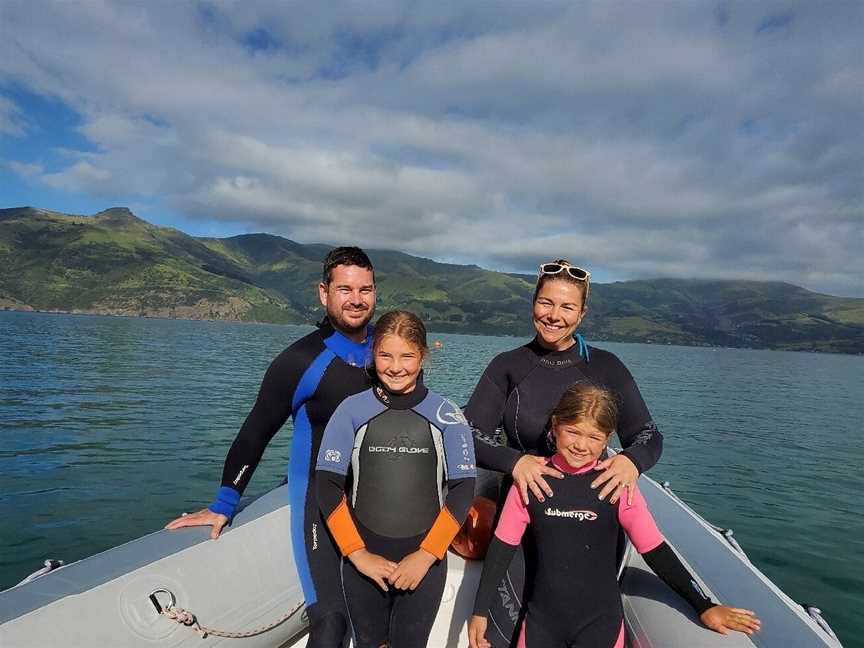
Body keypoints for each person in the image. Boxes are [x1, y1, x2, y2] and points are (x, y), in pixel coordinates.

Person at [165, 246, 377, 648]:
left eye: (365, 290)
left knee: (380, 616)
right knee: (331, 622)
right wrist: (224, 504)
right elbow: (255, 432)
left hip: (377, 497)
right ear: (323, 292)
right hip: (320, 500)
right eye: (345, 289)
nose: (355, 299)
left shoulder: (388, 351)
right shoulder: (299, 361)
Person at [468, 383, 761, 648]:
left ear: (608, 438)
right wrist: (480, 611)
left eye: (595, 437)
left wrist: (703, 605)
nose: (582, 445)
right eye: (572, 431)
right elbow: (502, 548)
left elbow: (655, 550)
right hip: (541, 624)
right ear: (555, 426)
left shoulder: (616, 484)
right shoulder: (532, 479)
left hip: (600, 627)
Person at [315, 310, 476, 648]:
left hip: (424, 561)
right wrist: (358, 554)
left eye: (407, 356)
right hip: (364, 560)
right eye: (385, 355)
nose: (395, 366)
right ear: (373, 354)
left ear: (424, 355)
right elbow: (327, 487)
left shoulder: (446, 415)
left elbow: (462, 490)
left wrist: (427, 555)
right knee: (368, 642)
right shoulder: (351, 411)